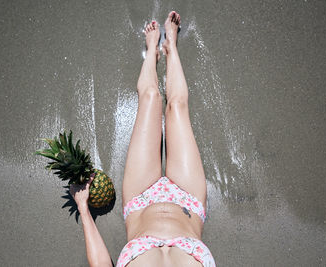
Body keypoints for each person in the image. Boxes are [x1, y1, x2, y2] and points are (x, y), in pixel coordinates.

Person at [70, 11, 216, 267]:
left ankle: (152, 50)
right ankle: (170, 45)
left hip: (141, 199)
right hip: (188, 199)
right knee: (177, 107)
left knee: (150, 98)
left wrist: (83, 208)